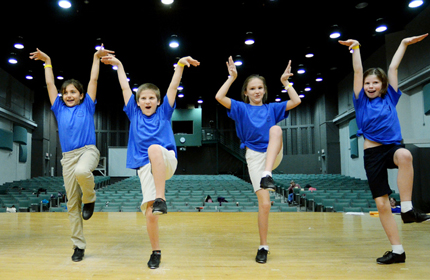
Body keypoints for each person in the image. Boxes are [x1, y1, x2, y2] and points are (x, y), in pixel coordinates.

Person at [101, 54, 200, 269]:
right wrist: (119, 65)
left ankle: (161, 198)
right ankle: (156, 251)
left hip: (167, 161)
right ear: (137, 103)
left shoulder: (164, 113)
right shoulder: (134, 115)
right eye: (143, 98)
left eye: (151, 98)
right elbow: (124, 88)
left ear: (158, 101)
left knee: (154, 148)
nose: (147, 101)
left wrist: (180, 65)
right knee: (149, 213)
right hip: (146, 169)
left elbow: (173, 87)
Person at [339, 34, 430, 265]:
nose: (370, 86)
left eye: (375, 82)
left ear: (382, 85)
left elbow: (394, 66)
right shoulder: (360, 101)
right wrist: (356, 47)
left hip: (392, 148)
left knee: (405, 154)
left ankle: (408, 209)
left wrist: (403, 44)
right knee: (382, 204)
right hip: (372, 154)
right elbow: (358, 71)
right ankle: (398, 250)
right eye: (368, 83)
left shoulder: (391, 97)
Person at [30, 45, 114, 262]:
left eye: (73, 92)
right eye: (65, 92)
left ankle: (91, 197)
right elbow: (50, 83)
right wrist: (47, 61)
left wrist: (96, 59)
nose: (68, 95)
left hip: (88, 151)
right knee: (71, 204)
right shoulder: (57, 107)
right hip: (67, 157)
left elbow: (93, 80)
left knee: (82, 171)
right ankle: (78, 245)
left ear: (81, 95)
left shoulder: (87, 106)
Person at [215, 56, 301, 264]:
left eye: (260, 88)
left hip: (273, 155)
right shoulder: (241, 108)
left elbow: (296, 101)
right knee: (265, 204)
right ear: (246, 92)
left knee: (276, 129)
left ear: (264, 90)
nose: (256, 91)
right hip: (254, 156)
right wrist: (231, 78)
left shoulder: (271, 108)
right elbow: (219, 96)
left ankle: (268, 174)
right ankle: (263, 246)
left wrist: (286, 83)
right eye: (252, 88)